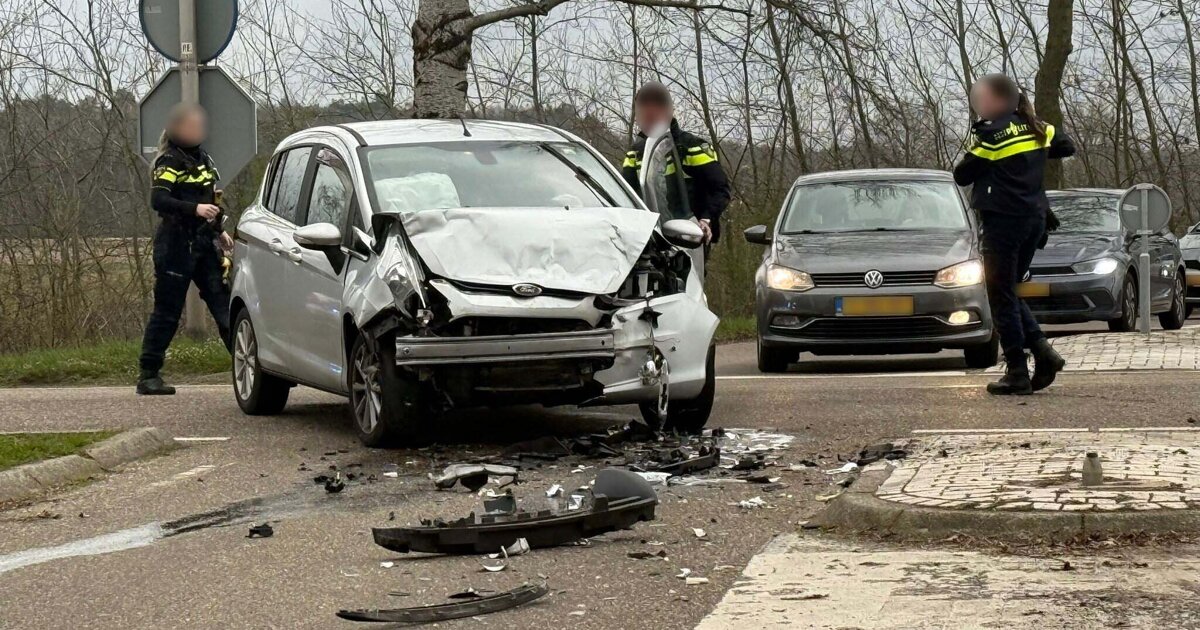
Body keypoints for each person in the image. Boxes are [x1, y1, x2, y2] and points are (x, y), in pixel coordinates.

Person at [953, 74, 1076, 395]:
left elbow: (962, 174)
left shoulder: (993, 136)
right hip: (1034, 221)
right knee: (1008, 290)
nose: (978, 106)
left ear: (998, 100)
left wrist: (998, 157)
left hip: (1003, 223)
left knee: (1000, 296)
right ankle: (1043, 352)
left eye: (981, 99)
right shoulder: (1038, 128)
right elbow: (1065, 145)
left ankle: (1018, 371)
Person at [137, 103, 233, 395]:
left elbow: (211, 200)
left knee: (226, 307)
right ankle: (149, 375)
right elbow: (159, 200)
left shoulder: (204, 159)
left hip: (205, 244)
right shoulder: (168, 162)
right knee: (167, 312)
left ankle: (249, 367)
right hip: (176, 245)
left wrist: (220, 230)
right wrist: (194, 209)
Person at [621, 82, 730, 244]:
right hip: (648, 238)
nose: (650, 116)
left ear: (670, 112)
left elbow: (720, 189)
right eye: (644, 112)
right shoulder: (634, 154)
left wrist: (705, 221)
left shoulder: (691, 147)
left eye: (657, 110)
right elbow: (625, 196)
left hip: (689, 237)